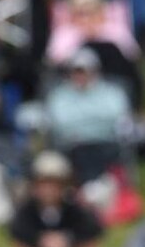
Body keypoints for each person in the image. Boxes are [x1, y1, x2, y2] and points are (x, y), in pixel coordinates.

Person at [44, 48, 131, 182]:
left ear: (95, 71)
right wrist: (96, 119)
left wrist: (81, 121)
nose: (81, 76)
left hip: (106, 146)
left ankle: (92, 188)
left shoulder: (112, 92)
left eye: (85, 71)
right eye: (77, 71)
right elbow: (61, 122)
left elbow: (118, 117)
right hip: (72, 148)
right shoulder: (59, 95)